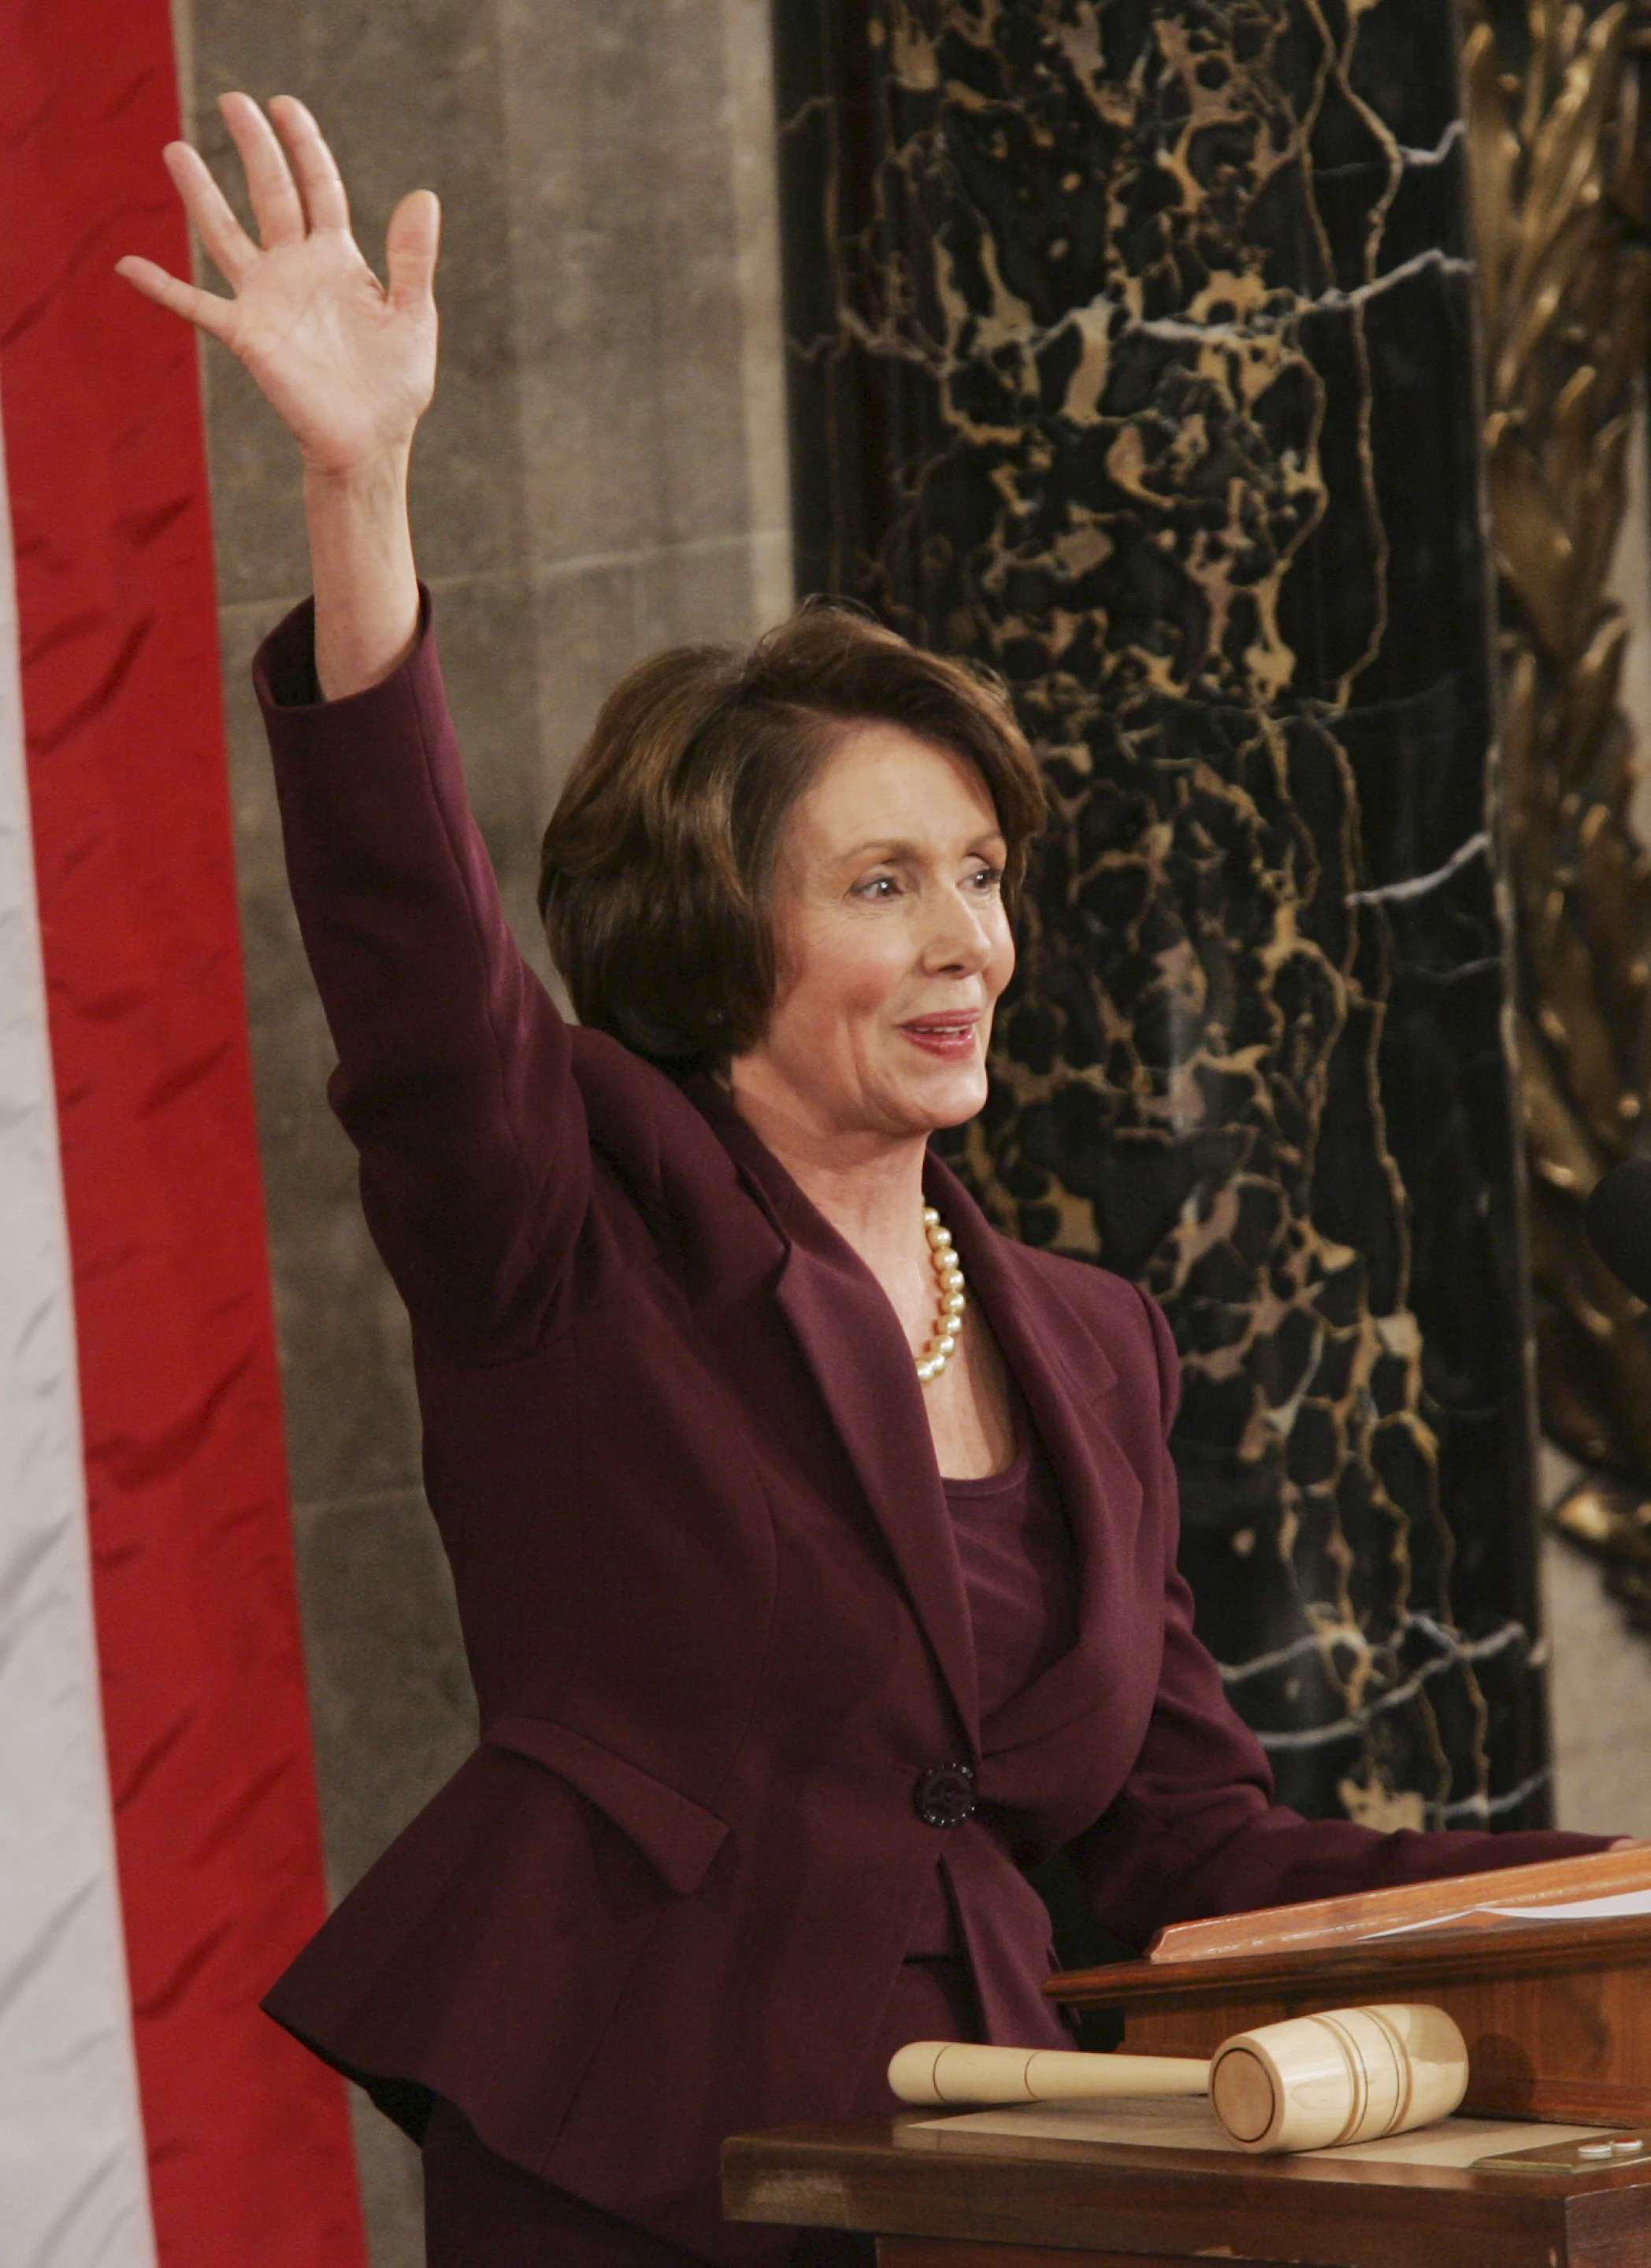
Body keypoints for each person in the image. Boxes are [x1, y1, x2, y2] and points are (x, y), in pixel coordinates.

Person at [117, 93, 1623, 2268]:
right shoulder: (575, 1212)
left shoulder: (1092, 1345)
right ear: (726, 930)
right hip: (635, 2153)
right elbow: (422, 966)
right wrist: (364, 489)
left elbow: (1190, 1838)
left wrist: (1594, 1889)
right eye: (889, 882)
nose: (969, 943)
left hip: (995, 2173)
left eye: (987, 878)